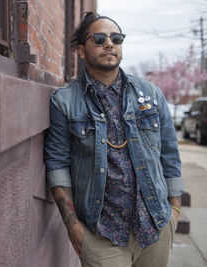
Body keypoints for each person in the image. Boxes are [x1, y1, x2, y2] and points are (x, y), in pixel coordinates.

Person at [44, 12, 185, 267]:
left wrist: (174, 211)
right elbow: (57, 164)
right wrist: (73, 225)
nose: (109, 43)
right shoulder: (65, 101)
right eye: (99, 39)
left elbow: (170, 156)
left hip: (155, 227)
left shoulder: (151, 94)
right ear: (82, 51)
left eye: (116, 38)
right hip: (101, 234)